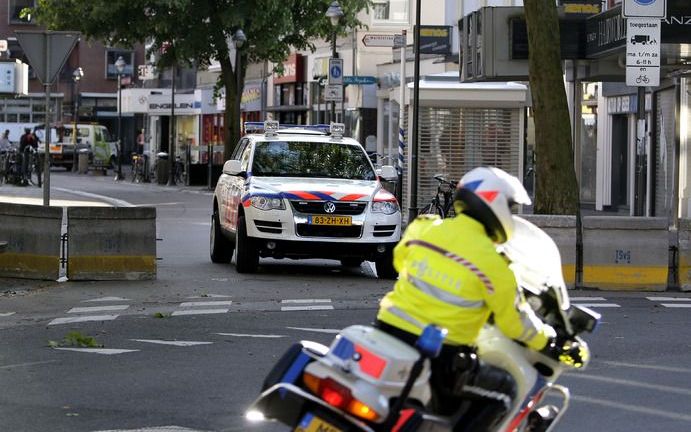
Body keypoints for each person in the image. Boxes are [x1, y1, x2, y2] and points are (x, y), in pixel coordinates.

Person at [375, 166, 586, 431]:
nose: (510, 215)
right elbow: (515, 324)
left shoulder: (424, 228)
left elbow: (400, 260)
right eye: (509, 207)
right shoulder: (495, 264)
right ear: (494, 202)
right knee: (504, 391)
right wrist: (549, 339)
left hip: (385, 331)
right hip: (439, 355)